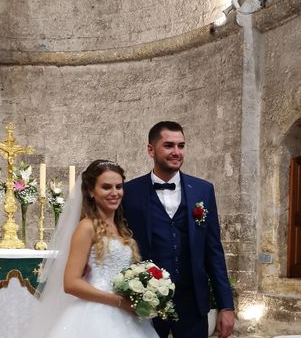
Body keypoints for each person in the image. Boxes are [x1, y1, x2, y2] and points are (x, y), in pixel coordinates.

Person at [123, 121, 236, 338]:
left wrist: (226, 306)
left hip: (192, 302)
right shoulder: (129, 192)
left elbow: (214, 251)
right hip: (146, 302)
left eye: (181, 146)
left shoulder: (203, 190)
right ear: (150, 150)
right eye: (168, 146)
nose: (177, 152)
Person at [24, 160, 159, 338]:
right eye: (106, 187)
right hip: (96, 313)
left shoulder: (122, 227)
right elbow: (71, 283)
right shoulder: (86, 227)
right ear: (90, 191)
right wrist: (119, 301)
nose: (115, 193)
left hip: (127, 315)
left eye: (118, 187)